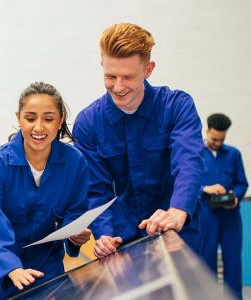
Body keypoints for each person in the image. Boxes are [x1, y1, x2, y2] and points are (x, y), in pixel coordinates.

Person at [73, 22, 205, 258]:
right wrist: (104, 234)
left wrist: (178, 210)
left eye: (128, 77)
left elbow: (188, 164)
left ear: (148, 70)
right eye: (110, 76)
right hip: (123, 239)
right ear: (102, 65)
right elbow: (95, 190)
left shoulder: (177, 107)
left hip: (176, 230)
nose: (118, 87)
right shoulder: (89, 123)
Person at [0, 82, 92, 299]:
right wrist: (10, 268)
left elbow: (75, 210)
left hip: (44, 269)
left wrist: (74, 234)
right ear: (19, 118)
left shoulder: (75, 163)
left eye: (49, 119)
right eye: (30, 118)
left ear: (60, 120)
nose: (39, 127)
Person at [198, 113, 248, 299]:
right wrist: (205, 188)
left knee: (233, 264)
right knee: (206, 264)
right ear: (207, 131)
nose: (218, 143)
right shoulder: (195, 154)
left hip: (231, 217)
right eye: (214, 139)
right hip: (206, 216)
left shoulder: (233, 154)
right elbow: (186, 183)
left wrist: (235, 197)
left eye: (222, 139)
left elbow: (242, 183)